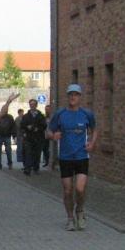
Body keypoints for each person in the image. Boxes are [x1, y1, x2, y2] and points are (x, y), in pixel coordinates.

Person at [48, 84, 99, 231]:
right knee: (68, 190)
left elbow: (95, 129)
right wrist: (53, 136)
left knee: (80, 189)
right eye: (70, 94)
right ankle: (70, 218)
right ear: (67, 96)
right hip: (65, 157)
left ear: (80, 97)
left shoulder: (86, 114)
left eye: (76, 94)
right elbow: (48, 132)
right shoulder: (60, 114)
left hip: (82, 156)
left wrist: (92, 143)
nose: (73, 97)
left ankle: (80, 211)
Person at [21, 99, 47, 175]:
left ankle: (36, 168)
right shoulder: (26, 116)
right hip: (28, 137)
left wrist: (37, 128)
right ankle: (27, 169)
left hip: (38, 138)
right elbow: (22, 125)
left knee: (37, 154)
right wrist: (27, 127)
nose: (32, 106)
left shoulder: (41, 115)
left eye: (33, 104)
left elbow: (44, 125)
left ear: (36, 105)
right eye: (31, 104)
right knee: (28, 153)